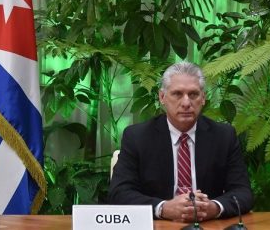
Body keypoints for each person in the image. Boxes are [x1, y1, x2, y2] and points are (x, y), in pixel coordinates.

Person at [108, 61, 253, 222]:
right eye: (177, 94)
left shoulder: (224, 136)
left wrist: (214, 208)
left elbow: (243, 192)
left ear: (203, 98)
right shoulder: (137, 137)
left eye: (193, 94)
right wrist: (163, 208)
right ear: (162, 97)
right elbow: (119, 193)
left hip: (208, 225)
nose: (186, 103)